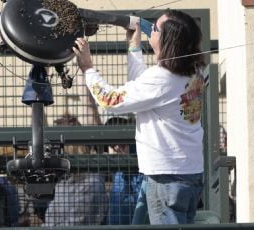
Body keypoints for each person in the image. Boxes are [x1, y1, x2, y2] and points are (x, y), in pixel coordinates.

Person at [73, 9, 205, 225]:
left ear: (166, 39)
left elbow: (110, 100)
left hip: (165, 177)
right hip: (186, 172)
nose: (150, 28)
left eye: (155, 27)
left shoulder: (162, 78)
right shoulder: (194, 71)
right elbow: (143, 88)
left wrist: (88, 68)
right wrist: (134, 46)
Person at [42, 114, 109, 226]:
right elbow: (49, 218)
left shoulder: (91, 184)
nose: (53, 152)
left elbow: (77, 224)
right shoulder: (63, 181)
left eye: (57, 147)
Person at [104, 117, 144, 225]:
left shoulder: (139, 153)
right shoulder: (117, 168)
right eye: (112, 145)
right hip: (120, 215)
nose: (116, 148)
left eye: (120, 144)